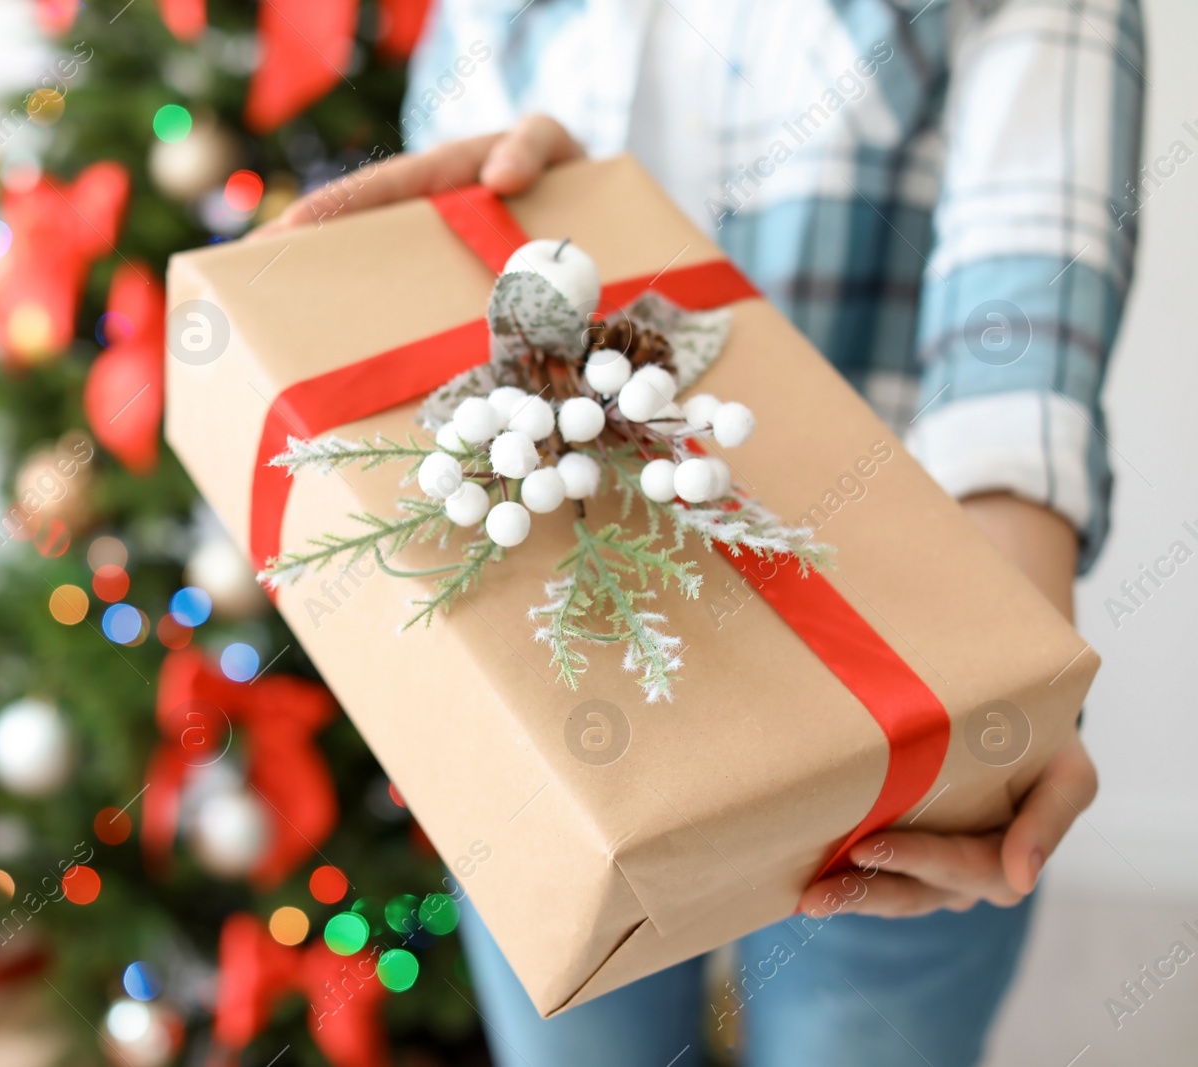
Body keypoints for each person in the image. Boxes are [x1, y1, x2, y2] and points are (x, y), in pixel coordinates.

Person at [258, 0, 1142, 1062]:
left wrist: (1007, 698)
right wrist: (506, 223)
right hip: (562, 662)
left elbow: (1016, 355)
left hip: (884, 717)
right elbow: (477, 263)